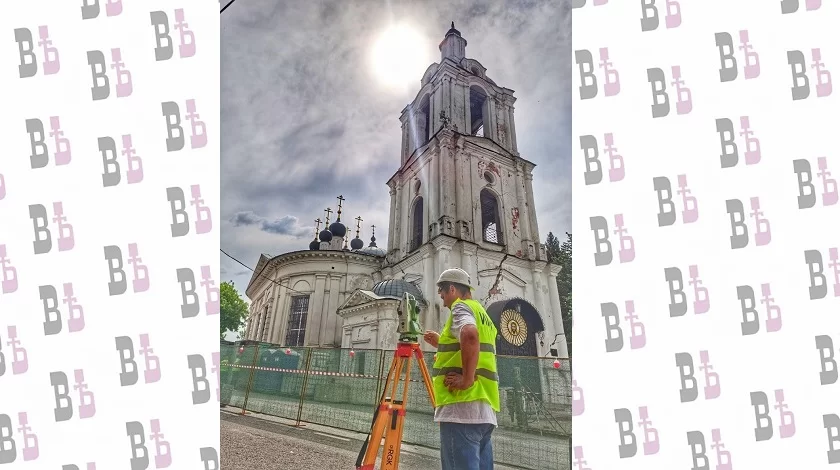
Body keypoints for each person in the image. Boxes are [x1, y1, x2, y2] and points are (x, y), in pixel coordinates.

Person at [423, 268, 500, 470]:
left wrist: (466, 379)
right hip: (484, 411)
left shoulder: (460, 307)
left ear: (452, 289)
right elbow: (476, 347)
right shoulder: (482, 313)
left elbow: (470, 334)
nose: (440, 296)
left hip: (461, 410)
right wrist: (441, 343)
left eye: (441, 291)